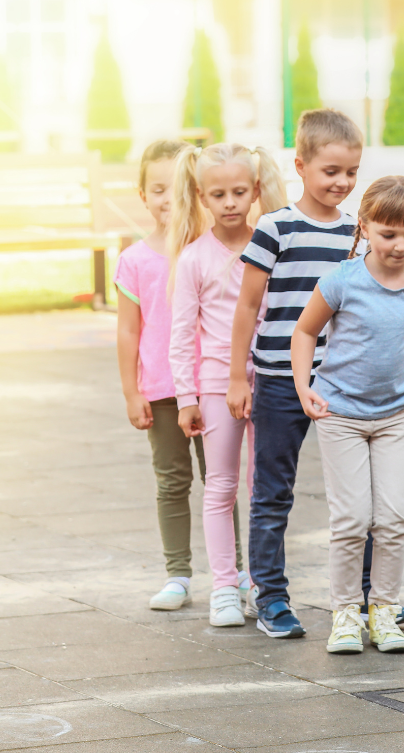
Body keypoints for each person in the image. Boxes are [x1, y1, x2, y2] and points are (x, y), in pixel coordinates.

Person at [291, 176, 404, 655]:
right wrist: (304, 387)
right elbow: (305, 332)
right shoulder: (343, 280)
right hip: (340, 411)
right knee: (350, 518)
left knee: (392, 518)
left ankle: (384, 612)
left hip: (394, 414)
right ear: (364, 228)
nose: (401, 245)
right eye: (388, 235)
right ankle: (345, 614)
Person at [226, 109, 380, 638]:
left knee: (359, 496)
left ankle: (367, 598)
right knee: (273, 492)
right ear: (301, 166)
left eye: (352, 173)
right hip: (276, 379)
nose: (342, 183)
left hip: (341, 383)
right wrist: (236, 376)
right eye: (331, 171)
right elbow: (247, 308)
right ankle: (269, 596)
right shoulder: (275, 228)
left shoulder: (358, 235)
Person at [115, 139, 249, 611]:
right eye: (157, 189)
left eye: (176, 188)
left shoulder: (211, 251)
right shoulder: (134, 260)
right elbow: (129, 332)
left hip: (212, 384)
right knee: (172, 482)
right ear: (142, 195)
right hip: (163, 390)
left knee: (221, 479)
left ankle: (231, 574)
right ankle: (177, 573)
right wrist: (132, 392)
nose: (167, 199)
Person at [168, 142, 287, 627]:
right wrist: (185, 398)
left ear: (256, 190)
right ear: (201, 196)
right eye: (219, 194)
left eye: (240, 191)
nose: (231, 202)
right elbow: (180, 334)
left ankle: (265, 585)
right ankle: (223, 586)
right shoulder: (193, 258)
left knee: (266, 489)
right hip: (217, 385)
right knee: (220, 487)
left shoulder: (273, 245)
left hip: (274, 379)